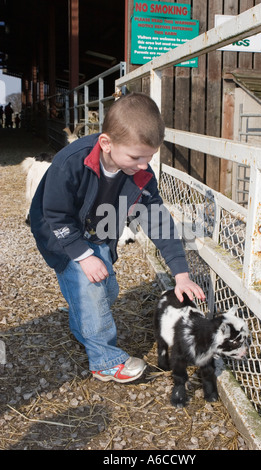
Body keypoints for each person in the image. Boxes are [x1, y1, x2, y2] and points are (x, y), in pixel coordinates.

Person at [30, 93, 205, 384]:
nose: (143, 164)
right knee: (91, 287)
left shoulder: (140, 174)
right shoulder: (71, 162)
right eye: (136, 157)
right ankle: (105, 362)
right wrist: (83, 256)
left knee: (107, 290)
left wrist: (181, 274)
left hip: (100, 230)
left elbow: (159, 222)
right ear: (106, 143)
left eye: (149, 157)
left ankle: (82, 316)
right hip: (61, 232)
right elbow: (55, 214)